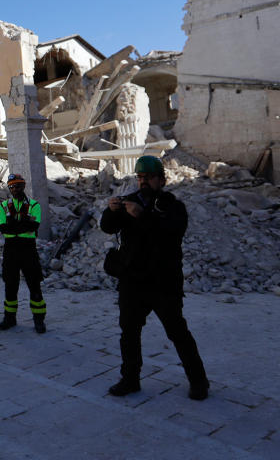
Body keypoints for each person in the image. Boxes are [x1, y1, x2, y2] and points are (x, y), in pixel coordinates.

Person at [100, 155, 210, 400]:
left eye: (148, 177)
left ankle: (199, 381)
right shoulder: (130, 203)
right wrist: (110, 211)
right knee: (129, 333)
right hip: (133, 281)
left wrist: (143, 216)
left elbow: (171, 233)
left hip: (163, 283)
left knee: (177, 332)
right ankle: (130, 380)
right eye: (140, 177)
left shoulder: (173, 207)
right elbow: (108, 227)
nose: (143, 182)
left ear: (162, 179)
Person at [0, 174, 47, 333]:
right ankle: (9, 318)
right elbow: (3, 229)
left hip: (28, 249)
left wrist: (15, 225)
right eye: (11, 187)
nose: (14, 189)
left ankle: (39, 320)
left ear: (23, 186)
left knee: (34, 284)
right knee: (10, 285)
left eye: (17, 186)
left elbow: (34, 226)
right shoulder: (3, 206)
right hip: (11, 249)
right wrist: (23, 223)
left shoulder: (34, 205)